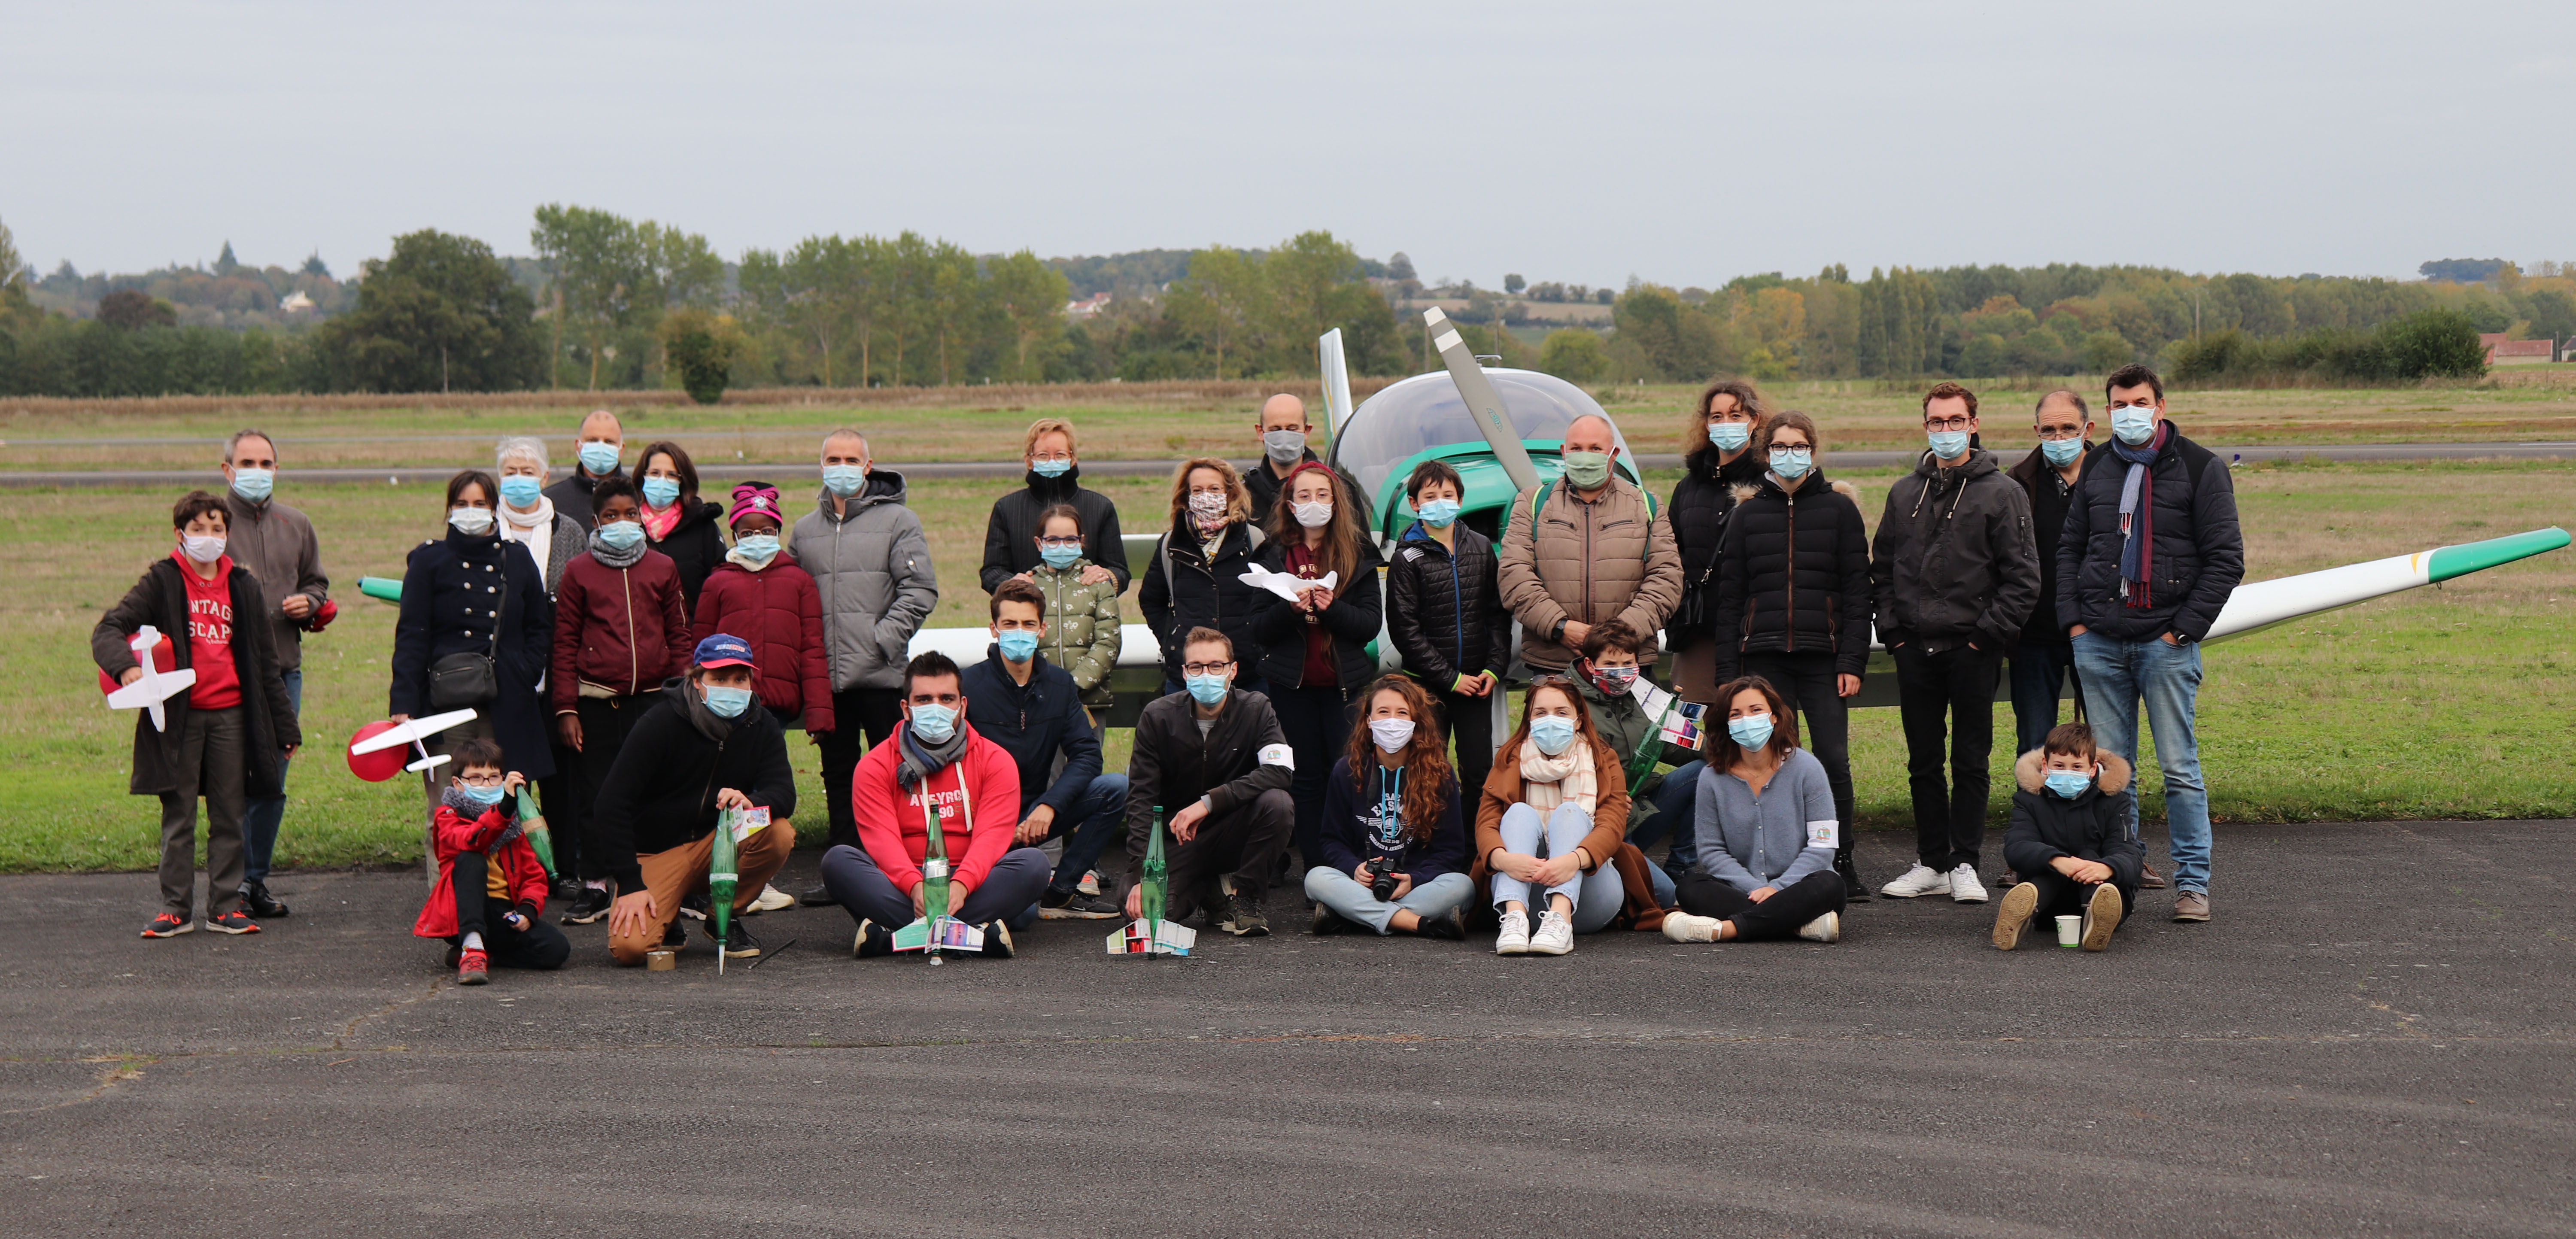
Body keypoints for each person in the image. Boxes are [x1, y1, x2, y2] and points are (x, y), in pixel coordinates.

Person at [2061, 363, 2243, 923]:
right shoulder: (2095, 466)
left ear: (2160, 406)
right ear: (2107, 411)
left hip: (2167, 642)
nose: (2129, 413)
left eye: (2139, 403)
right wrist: (2076, 624)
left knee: (2180, 768)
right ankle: (2124, 871)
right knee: (2115, 771)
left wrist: (2180, 630)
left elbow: (2225, 559)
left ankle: (2194, 884)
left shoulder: (2200, 468)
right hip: (2100, 641)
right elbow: (2070, 547)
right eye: (2118, 405)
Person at [94, 490, 301, 938]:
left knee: (230, 814)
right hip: (179, 722)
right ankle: (175, 909)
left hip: (232, 718)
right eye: (198, 530)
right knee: (179, 815)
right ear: (180, 534)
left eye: (217, 529)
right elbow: (109, 627)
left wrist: (285, 726)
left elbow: (267, 666)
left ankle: (226, 906)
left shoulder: (243, 586)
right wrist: (127, 667)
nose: (208, 538)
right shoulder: (162, 581)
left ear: (228, 534)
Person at [1870, 382, 2039, 906]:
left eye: (1954, 421)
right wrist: (1893, 634)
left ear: (1973, 424)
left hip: (1972, 649)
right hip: (1913, 650)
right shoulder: (1904, 493)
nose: (1945, 431)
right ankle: (1931, 861)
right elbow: (1882, 569)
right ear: (1926, 426)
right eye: (1936, 422)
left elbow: (2023, 579)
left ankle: (1965, 861)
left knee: (1970, 759)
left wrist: (1983, 638)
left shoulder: (2003, 493)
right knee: (1923, 760)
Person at [1708, 409, 1874, 898]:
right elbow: (1730, 598)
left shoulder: (1840, 511)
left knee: (1832, 762)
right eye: (1780, 446)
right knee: (1771, 761)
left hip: (1824, 657)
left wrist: (1852, 661)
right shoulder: (1748, 514)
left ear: (1813, 451)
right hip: (1763, 659)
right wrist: (1726, 673)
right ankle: (1775, 862)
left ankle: (1839, 859)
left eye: (1799, 446)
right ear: (1766, 453)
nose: (1789, 454)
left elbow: (1857, 591)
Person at [590, 635, 798, 965]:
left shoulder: (762, 724)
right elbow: (610, 804)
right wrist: (630, 883)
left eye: (740, 679)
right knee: (631, 950)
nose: (731, 687)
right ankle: (668, 915)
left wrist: (751, 800)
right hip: (656, 851)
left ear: (751, 682)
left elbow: (785, 794)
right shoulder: (659, 722)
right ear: (697, 680)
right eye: (719, 678)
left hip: (719, 843)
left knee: (779, 832)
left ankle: (722, 918)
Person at [795, 428, 938, 900]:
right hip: (827, 679)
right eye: (832, 458)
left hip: (881, 675)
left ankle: (899, 869)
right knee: (838, 775)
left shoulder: (899, 521)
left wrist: (882, 640)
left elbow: (919, 591)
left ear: (868, 465)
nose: (841, 466)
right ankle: (843, 869)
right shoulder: (804, 530)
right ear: (821, 466)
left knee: (894, 774)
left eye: (850, 458)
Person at [830, 651, 1049, 959]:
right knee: (838, 862)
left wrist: (961, 886)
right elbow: (882, 842)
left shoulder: (996, 761)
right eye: (924, 699)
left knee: (1034, 866)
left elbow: (991, 839)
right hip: (904, 882)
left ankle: (892, 939)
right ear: (906, 709)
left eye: (947, 699)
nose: (936, 708)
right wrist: (915, 888)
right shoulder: (874, 765)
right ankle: (975, 936)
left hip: (972, 878)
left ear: (963, 706)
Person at [550, 476, 693, 925]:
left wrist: (683, 692)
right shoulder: (579, 572)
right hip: (597, 703)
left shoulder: (662, 567)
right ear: (596, 521)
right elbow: (565, 642)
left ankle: (660, 876)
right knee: (597, 796)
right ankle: (595, 884)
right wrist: (567, 708)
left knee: (655, 792)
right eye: (611, 516)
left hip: (654, 703)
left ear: (642, 515)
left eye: (630, 514)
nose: (622, 523)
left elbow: (679, 633)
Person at [389, 471, 554, 809]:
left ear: (494, 508)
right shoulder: (428, 561)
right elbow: (412, 635)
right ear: (449, 509)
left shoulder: (517, 558)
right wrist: (403, 703)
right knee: (448, 811)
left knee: (506, 809)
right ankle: (449, 867)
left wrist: (526, 670)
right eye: (462, 503)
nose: (470, 510)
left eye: (480, 503)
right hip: (443, 703)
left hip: (507, 699)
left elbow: (539, 626)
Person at [964, 580, 1128, 919]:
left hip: (1037, 815)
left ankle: (1062, 892)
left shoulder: (1060, 684)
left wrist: (1050, 806)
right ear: (994, 629)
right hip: (983, 824)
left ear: (1043, 630)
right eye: (1010, 624)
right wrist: (998, 828)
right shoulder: (968, 686)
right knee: (1021, 919)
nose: (1019, 632)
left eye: (1028, 624)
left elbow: (1086, 754)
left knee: (1116, 789)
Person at [1253, 460, 1385, 869]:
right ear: (1290, 505)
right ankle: (1318, 869)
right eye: (1304, 496)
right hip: (1292, 689)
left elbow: (1368, 626)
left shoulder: (1358, 552)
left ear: (1336, 501)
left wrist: (1331, 609)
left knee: (1349, 776)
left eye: (1322, 495)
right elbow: (1258, 629)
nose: (1314, 503)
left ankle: (1355, 864)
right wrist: (1291, 610)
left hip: (1343, 686)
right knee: (1306, 781)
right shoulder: (1273, 554)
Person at [219, 428, 328, 920]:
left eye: (266, 463)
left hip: (284, 673)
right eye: (247, 462)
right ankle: (227, 883)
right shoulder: (213, 524)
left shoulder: (297, 523)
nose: (256, 472)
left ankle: (252, 880)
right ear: (227, 470)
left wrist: (311, 602)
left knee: (272, 781)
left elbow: (317, 583)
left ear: (277, 469)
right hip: (226, 675)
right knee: (229, 782)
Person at [1121, 627, 1294, 936]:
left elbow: (1280, 771)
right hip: (1177, 841)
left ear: (1233, 670)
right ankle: (1210, 891)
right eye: (1197, 667)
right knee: (1144, 915)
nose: (1207, 674)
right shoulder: (1157, 716)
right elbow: (1140, 799)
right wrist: (1144, 871)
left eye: (1216, 666)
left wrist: (1208, 803)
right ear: (1185, 673)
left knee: (1278, 804)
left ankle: (1245, 900)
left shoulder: (1257, 708)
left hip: (1232, 832)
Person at [1660, 676, 1849, 944]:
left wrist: (1778, 888)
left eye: (1756, 710)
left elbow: (1822, 846)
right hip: (1742, 890)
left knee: (1830, 885)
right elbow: (1711, 851)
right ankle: (1797, 926)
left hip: (1802, 886)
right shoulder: (1712, 779)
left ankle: (1725, 930)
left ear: (1774, 717)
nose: (1746, 719)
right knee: (1690, 887)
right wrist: (1757, 888)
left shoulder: (1808, 769)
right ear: (1726, 723)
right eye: (1736, 714)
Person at [1497, 412, 1683, 676]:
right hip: (1553, 664)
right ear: (1564, 452)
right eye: (1577, 448)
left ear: (1613, 454)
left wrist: (1615, 639)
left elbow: (1667, 580)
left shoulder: (1647, 505)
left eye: (1595, 449)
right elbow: (1514, 575)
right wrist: (1560, 627)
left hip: (1627, 663)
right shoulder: (1531, 503)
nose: (1585, 456)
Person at [496, 434, 601, 899]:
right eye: (509, 472)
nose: (519, 480)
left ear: (544, 476)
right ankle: (517, 865)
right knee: (510, 776)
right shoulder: (486, 528)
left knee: (562, 779)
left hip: (557, 674)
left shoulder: (570, 531)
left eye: (527, 471)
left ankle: (566, 865)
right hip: (503, 677)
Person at [1305, 675, 1472, 939]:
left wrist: (1415, 879)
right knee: (1316, 878)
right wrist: (1354, 869)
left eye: (1402, 713)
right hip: (1361, 884)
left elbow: (1451, 851)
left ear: (1416, 723)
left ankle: (1351, 917)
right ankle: (1419, 924)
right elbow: (1332, 840)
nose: (1392, 721)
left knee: (1463, 886)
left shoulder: (1440, 774)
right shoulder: (1347, 770)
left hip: (1415, 886)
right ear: (1369, 722)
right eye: (1383, 712)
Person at [1474, 676, 1630, 956]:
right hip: (1523, 885)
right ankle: (1514, 920)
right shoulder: (1510, 758)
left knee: (1569, 812)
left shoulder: (1602, 757)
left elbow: (1613, 824)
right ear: (1529, 720)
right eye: (1541, 713)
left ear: (1579, 720)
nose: (1550, 720)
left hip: (1588, 890)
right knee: (1519, 812)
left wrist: (1573, 860)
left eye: (1561, 713)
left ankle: (1561, 919)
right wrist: (1504, 860)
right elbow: (1486, 823)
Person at [1384, 459, 1509, 804]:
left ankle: (1475, 847)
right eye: (1431, 495)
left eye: (1448, 495)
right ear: (1415, 504)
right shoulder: (1406, 558)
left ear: (1460, 499)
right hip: (1427, 686)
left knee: (1479, 769)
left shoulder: (1482, 548)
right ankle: (1431, 845)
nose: (1440, 502)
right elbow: (1404, 630)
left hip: (1476, 685)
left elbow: (1496, 614)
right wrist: (1450, 678)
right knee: (1428, 769)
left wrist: (1494, 669)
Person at [412, 738, 569, 982]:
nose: (486, 784)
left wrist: (527, 911)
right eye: (476, 778)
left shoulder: (513, 822)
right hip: (465, 913)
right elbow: (473, 840)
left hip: (503, 913)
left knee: (556, 949)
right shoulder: (448, 816)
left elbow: (533, 875)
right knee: (471, 859)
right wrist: (504, 810)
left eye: (494, 777)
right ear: (458, 783)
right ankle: (472, 948)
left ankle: (488, 956)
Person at [1568, 620, 1693, 905]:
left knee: (1704, 772)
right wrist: (1608, 797)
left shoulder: (1642, 694)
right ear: (1590, 664)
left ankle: (1683, 867)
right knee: (1665, 897)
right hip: (1602, 819)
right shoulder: (1566, 700)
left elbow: (1672, 746)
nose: (1621, 672)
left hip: (1640, 806)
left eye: (1628, 663)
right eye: (1611, 663)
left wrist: (1728, 750)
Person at [1992, 723, 2140, 952]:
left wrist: (2108, 868)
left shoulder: (2114, 801)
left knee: (2091, 856)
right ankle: (2021, 913)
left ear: (2093, 769)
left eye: (2077, 767)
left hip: (2103, 887)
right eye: (2059, 766)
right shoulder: (2028, 800)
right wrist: (2058, 861)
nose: (2067, 772)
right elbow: (2017, 846)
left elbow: (2130, 853)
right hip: (2049, 904)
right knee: (2045, 865)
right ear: (2046, 765)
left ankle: (2098, 915)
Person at [1667, 379, 1770, 705]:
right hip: (1699, 632)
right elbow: (1672, 553)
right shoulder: (1688, 488)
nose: (1727, 423)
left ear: (1754, 421)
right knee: (1694, 738)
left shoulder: (1772, 481)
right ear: (1707, 424)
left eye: (1736, 415)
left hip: (1757, 633)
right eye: (1718, 417)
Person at [2007, 391, 2095, 756]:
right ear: (2037, 431)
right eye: (2050, 430)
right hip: (2033, 636)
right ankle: (2034, 812)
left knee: (2105, 739)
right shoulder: (2016, 485)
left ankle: (2104, 812)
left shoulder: (2116, 477)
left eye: (2068, 428)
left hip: (2098, 632)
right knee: (2033, 743)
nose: (2059, 438)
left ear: (2088, 428)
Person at [1137, 457, 1271, 697]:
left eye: (1214, 489)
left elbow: (1270, 599)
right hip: (1188, 677)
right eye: (1197, 490)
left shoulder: (1254, 540)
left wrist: (1255, 643)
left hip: (1247, 676)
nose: (1205, 496)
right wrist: (1173, 641)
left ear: (1230, 494)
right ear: (1186, 496)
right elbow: (1151, 600)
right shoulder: (1172, 544)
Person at [979, 417, 1130, 595]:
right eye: (1043, 455)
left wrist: (1105, 576)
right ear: (1029, 461)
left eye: (1060, 455)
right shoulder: (1007, 509)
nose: (1052, 461)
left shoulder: (1100, 507)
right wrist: (1012, 584)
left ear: (1073, 459)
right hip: (1027, 614)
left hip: (1086, 615)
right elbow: (991, 571)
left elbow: (1120, 572)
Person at [1025, 503, 1123, 741]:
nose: (1062, 546)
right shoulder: (1028, 588)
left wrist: (1072, 686)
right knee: (1046, 774)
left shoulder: (1098, 584)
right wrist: (1045, 689)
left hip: (1088, 702)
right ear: (1040, 543)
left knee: (1086, 768)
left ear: (1081, 541)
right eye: (1053, 540)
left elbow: (1108, 643)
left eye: (1070, 539)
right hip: (1039, 702)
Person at [633, 440, 728, 612]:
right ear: (643, 476)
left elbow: (720, 583)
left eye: (671, 475)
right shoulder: (627, 525)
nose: (662, 480)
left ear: (683, 481)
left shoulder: (702, 526)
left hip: (689, 632)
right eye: (655, 473)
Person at [1241, 392, 1360, 527]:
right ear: (1260, 432)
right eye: (1275, 430)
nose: (1284, 436)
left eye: (1292, 429)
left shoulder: (1339, 489)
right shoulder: (1243, 495)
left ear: (1307, 431)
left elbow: (1361, 545)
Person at [543, 408, 625, 531]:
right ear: (578, 445)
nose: (601, 447)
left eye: (609, 442)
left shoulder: (638, 496)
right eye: (592, 440)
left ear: (621, 449)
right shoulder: (551, 501)